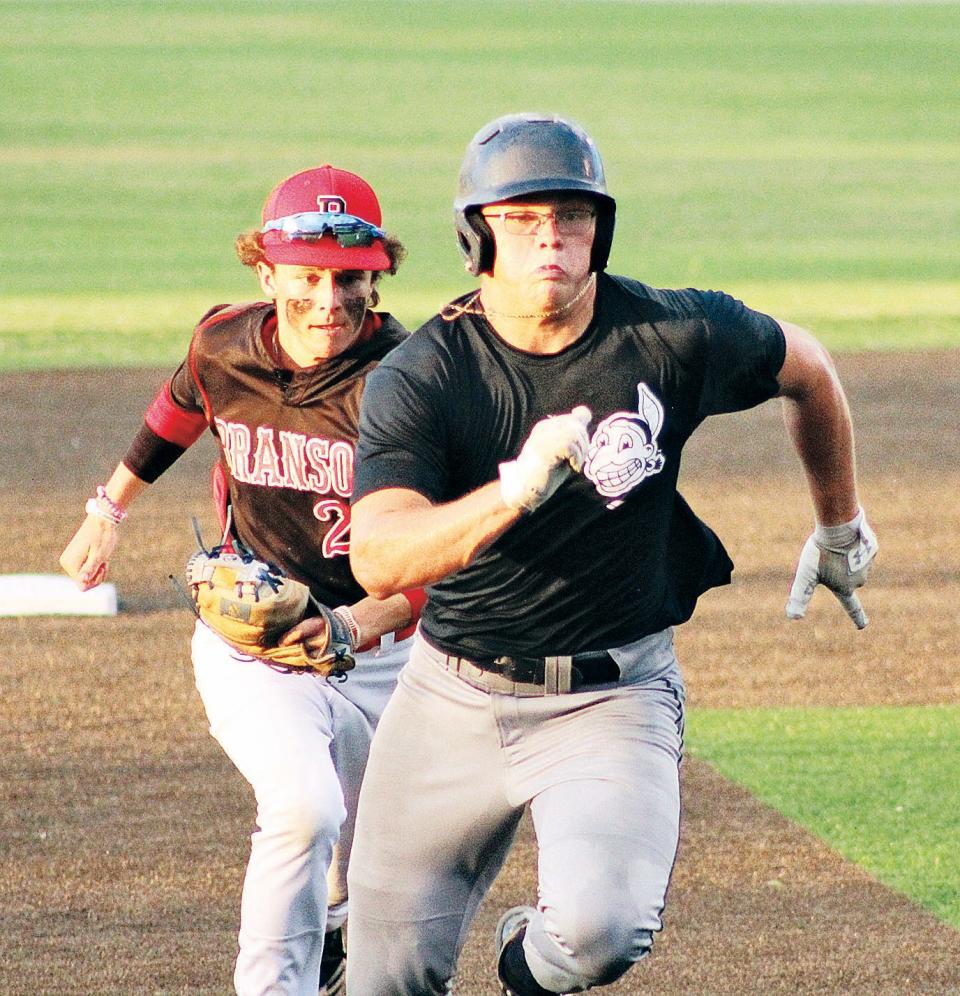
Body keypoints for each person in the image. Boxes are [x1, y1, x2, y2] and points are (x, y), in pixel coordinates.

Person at [344, 113, 878, 995]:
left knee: (599, 935)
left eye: (571, 215)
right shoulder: (427, 373)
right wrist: (512, 492)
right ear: (476, 235)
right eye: (519, 218)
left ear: (603, 227)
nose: (549, 237)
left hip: (613, 696)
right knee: (383, 982)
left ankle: (528, 968)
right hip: (449, 698)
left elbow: (809, 369)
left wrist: (838, 527)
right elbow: (380, 556)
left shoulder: (670, 333)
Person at [59, 165, 424, 996]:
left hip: (384, 654)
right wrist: (106, 511)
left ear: (377, 274)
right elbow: (180, 406)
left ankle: (332, 926)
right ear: (265, 272)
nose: (329, 299)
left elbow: (441, 558)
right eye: (307, 277)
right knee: (303, 809)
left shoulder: (407, 382)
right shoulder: (225, 343)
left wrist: (354, 627)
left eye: (349, 278)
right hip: (254, 640)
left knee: (363, 851)